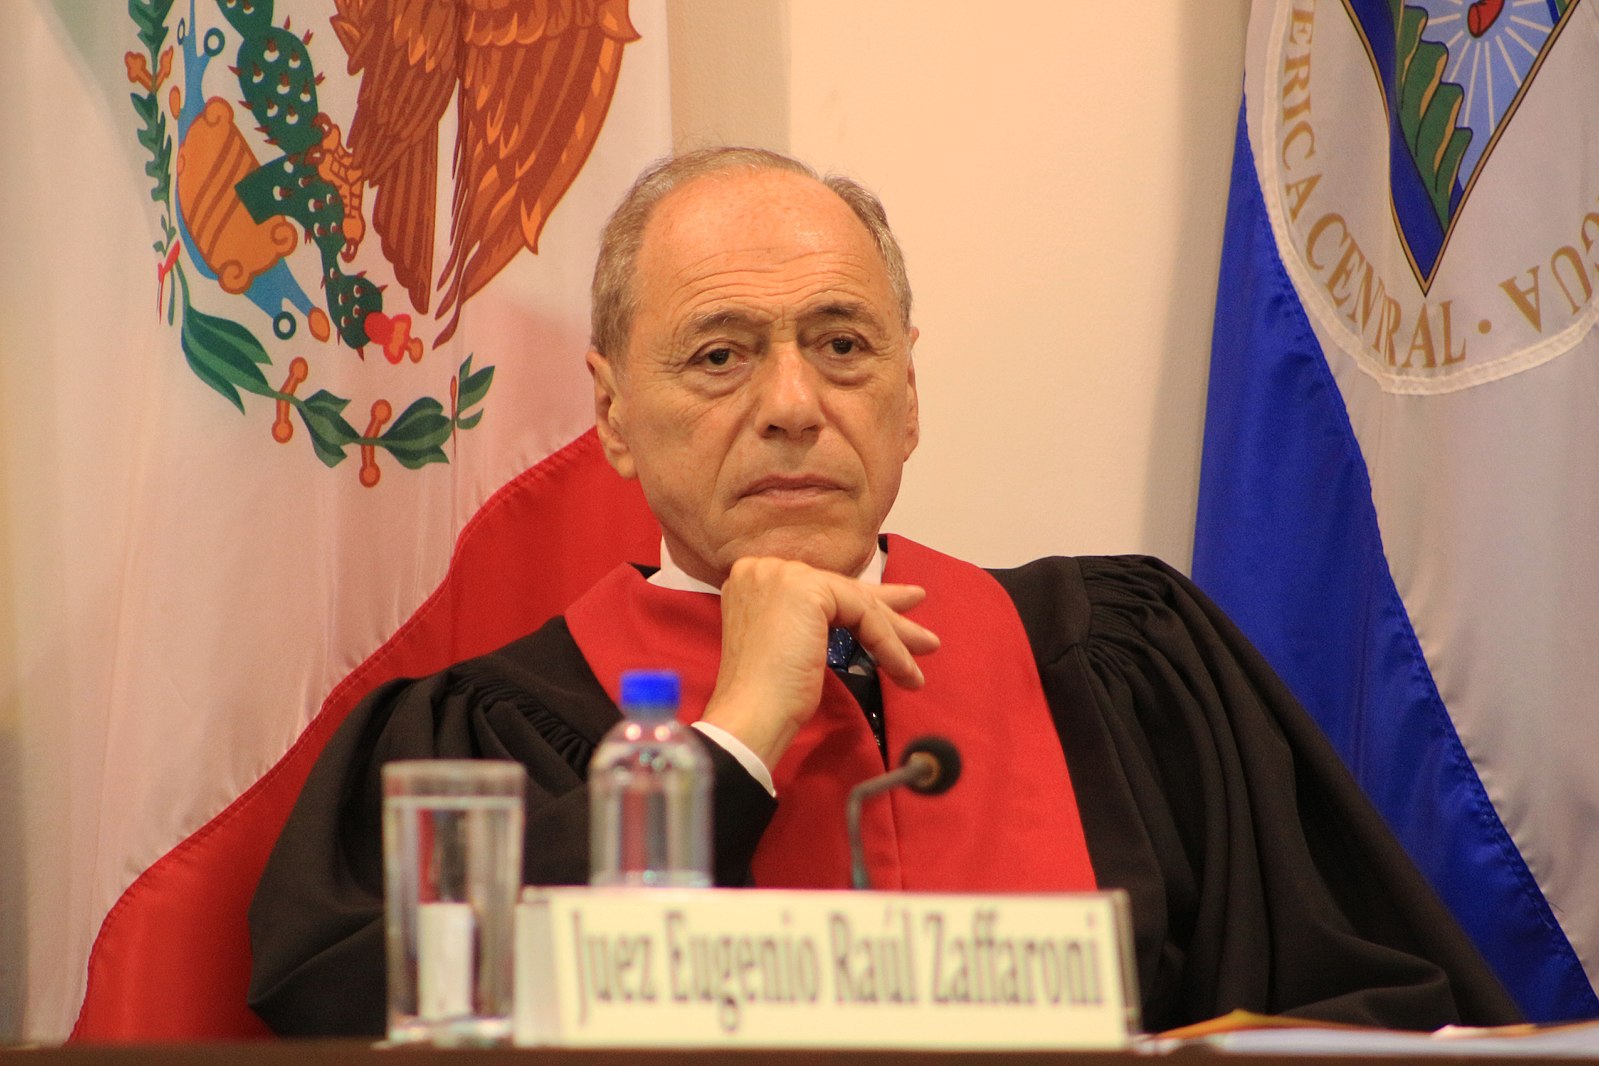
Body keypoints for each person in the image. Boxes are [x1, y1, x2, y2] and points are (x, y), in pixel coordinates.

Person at [247, 147, 1521, 1036]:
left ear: (909, 396)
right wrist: (729, 743)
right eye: (720, 354)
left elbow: (1376, 1010)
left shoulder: (1121, 660)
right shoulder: (479, 740)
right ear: (614, 414)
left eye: (843, 345)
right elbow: (374, 1015)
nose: (793, 405)